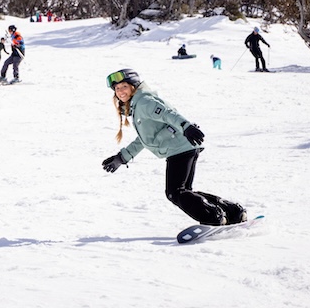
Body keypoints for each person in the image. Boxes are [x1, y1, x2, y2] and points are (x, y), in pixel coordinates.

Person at [101, 68, 246, 226]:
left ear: (133, 86)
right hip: (182, 147)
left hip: (180, 148)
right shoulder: (137, 106)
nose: (120, 91)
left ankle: (213, 217)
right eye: (117, 88)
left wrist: (186, 126)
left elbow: (168, 114)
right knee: (184, 192)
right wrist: (122, 157)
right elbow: (144, 139)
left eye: (124, 86)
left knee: (175, 193)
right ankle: (233, 212)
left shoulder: (144, 102)